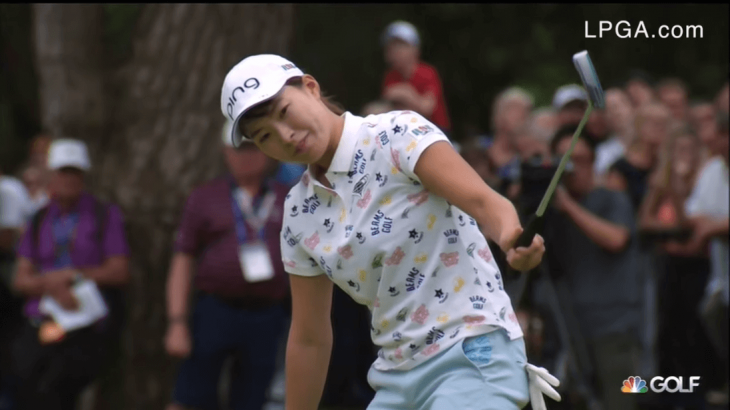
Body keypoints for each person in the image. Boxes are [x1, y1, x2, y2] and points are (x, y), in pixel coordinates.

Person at [220, 54, 560, 410]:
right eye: (264, 136)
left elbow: (484, 202)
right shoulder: (298, 212)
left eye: (284, 112)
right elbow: (309, 338)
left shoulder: (396, 135)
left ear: (310, 88)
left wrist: (510, 236)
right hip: (395, 379)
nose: (284, 136)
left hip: (473, 351)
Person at [164, 121, 290, 410]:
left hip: (267, 313)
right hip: (214, 309)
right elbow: (183, 258)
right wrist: (177, 322)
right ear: (225, 153)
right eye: (238, 149)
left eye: (252, 148)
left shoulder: (286, 197)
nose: (246, 156)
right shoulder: (205, 197)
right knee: (190, 395)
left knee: (253, 397)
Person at [11, 139, 129, 410]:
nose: (68, 179)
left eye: (74, 172)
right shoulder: (38, 219)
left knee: (59, 385)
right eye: (63, 172)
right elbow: (21, 279)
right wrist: (52, 285)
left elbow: (119, 270)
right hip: (43, 318)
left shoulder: (103, 215)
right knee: (23, 378)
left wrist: (74, 276)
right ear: (51, 175)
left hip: (87, 321)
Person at [544, 125, 643, 410]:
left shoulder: (612, 198)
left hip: (616, 326)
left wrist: (569, 208)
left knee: (623, 400)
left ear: (594, 161)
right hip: (571, 325)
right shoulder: (552, 210)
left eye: (581, 160)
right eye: (566, 161)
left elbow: (616, 239)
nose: (574, 169)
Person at [683, 113, 729, 406]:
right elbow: (694, 212)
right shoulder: (713, 169)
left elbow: (706, 223)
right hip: (722, 280)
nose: (710, 141)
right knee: (711, 314)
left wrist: (714, 227)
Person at [380, 21, 451, 135]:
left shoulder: (427, 72)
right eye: (390, 47)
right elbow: (389, 105)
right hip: (407, 132)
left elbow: (427, 108)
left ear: (415, 50)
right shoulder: (390, 76)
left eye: (400, 46)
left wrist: (406, 93)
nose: (394, 51)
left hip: (436, 131)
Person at [605, 103, 671, 213]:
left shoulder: (666, 165)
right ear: (639, 126)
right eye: (655, 124)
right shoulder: (621, 168)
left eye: (664, 125)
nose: (660, 129)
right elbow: (615, 211)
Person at [485, 87, 535, 200]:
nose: (524, 117)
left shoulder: (528, 160)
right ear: (498, 114)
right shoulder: (475, 150)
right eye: (515, 109)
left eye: (527, 111)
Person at [594, 88, 635, 184]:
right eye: (609, 109)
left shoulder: (652, 140)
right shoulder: (602, 152)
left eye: (619, 106)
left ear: (632, 106)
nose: (616, 112)